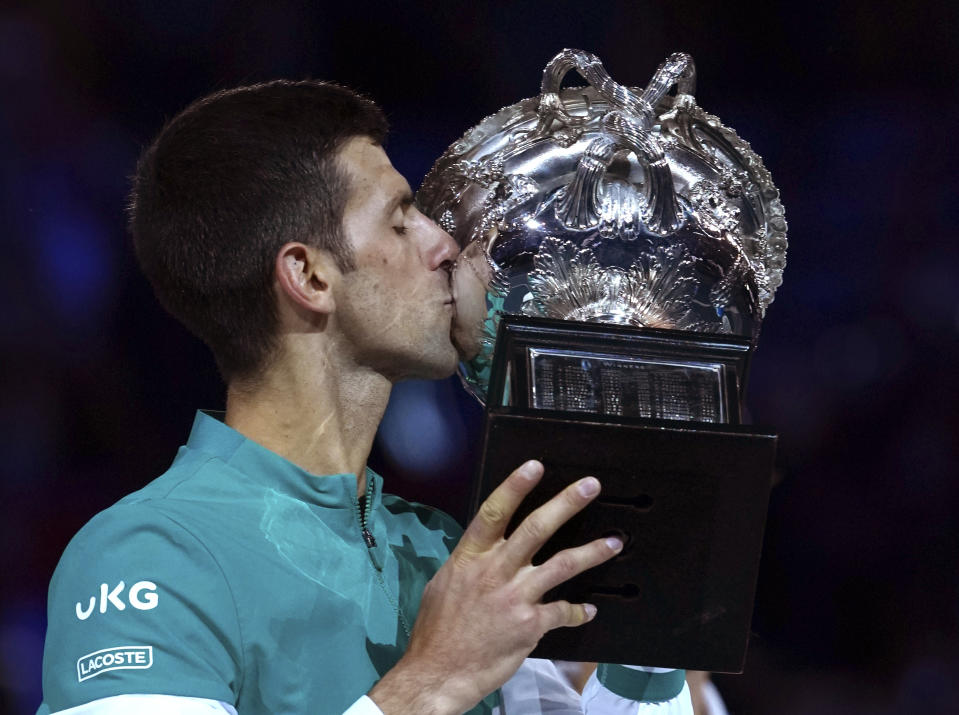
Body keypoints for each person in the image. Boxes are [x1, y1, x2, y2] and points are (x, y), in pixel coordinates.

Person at [37, 80, 693, 714]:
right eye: (401, 220)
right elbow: (437, 680)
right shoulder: (150, 554)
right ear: (309, 275)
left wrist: (633, 475)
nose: (445, 246)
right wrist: (431, 682)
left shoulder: (442, 550)